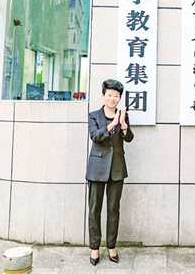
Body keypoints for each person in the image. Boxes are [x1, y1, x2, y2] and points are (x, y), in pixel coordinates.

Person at [86, 79, 134, 266]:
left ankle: (111, 246)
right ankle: (94, 248)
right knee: (94, 210)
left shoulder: (123, 116)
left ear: (120, 98)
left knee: (113, 209)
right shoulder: (93, 116)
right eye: (109, 95)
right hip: (97, 169)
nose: (112, 98)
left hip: (117, 168)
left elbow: (129, 138)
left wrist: (122, 124)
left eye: (116, 96)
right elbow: (94, 136)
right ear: (103, 96)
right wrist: (112, 124)